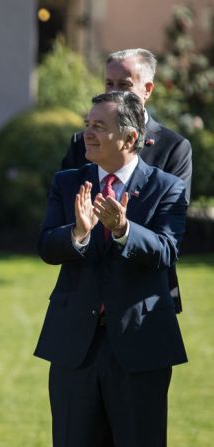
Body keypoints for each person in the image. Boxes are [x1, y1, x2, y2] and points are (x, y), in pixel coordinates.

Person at [35, 91, 188, 446]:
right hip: (74, 347)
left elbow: (167, 251)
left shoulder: (166, 187)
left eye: (99, 127)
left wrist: (124, 231)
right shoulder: (68, 182)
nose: (87, 133)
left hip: (140, 346)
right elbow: (46, 246)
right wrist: (77, 233)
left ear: (130, 137)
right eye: (87, 124)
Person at [63, 48, 191, 314]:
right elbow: (67, 211)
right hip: (85, 293)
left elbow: (170, 224)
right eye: (109, 84)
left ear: (148, 89)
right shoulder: (82, 142)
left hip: (144, 297)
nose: (114, 92)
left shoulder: (173, 147)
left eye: (124, 85)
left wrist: (123, 228)